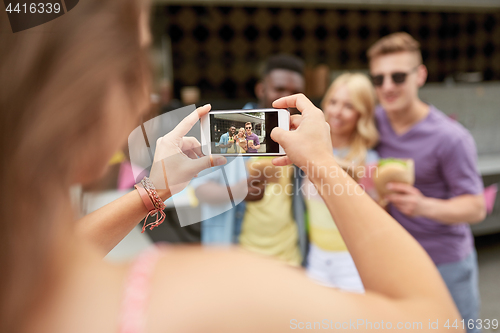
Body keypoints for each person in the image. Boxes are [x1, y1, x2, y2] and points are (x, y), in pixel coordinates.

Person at [0, 1, 465, 325]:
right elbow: (432, 318)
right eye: (138, 56)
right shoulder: (202, 291)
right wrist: (319, 162)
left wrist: (152, 190)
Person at [367, 32, 486, 333]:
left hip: (444, 262)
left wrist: (423, 206)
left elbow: (475, 208)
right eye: (378, 79)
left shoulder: (450, 137)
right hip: (393, 260)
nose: (388, 86)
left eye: (397, 76)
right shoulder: (372, 123)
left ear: (420, 75)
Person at [193, 54, 307, 266]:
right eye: (279, 89)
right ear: (261, 89)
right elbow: (200, 190)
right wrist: (239, 191)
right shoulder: (230, 127)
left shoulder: (298, 134)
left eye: (294, 93)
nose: (286, 98)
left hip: (290, 254)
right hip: (242, 256)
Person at [302, 73, 379, 292]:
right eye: (333, 102)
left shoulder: (369, 160)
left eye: (348, 106)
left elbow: (373, 216)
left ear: (361, 113)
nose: (336, 111)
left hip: (352, 261)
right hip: (316, 256)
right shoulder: (308, 150)